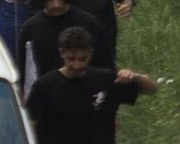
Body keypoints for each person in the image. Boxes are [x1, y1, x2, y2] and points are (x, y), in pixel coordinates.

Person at [23, 27, 154, 140]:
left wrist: (136, 77)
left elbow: (151, 89)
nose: (77, 65)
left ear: (90, 52)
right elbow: (30, 126)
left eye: (82, 59)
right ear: (61, 53)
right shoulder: (44, 86)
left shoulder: (107, 80)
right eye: (71, 59)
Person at [15, 0, 103, 82]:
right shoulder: (30, 29)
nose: (56, 4)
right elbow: (23, 69)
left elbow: (103, 62)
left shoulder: (87, 23)